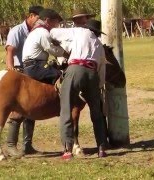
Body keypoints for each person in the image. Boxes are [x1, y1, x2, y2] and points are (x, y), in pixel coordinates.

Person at [50, 19, 109, 160]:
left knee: (66, 109)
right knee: (97, 112)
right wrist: (98, 85)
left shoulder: (78, 31)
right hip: (92, 74)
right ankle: (101, 148)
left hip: (75, 69)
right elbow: (102, 68)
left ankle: (68, 149)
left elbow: (53, 32)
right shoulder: (99, 44)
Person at [4, 5, 44, 157]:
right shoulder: (17, 31)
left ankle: (28, 145)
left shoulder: (36, 31)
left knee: (31, 109)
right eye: (39, 18)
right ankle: (10, 145)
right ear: (31, 16)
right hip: (19, 71)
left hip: (33, 70)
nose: (40, 21)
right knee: (17, 111)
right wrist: (11, 71)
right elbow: (10, 51)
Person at [22, 8, 68, 84]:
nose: (56, 25)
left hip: (32, 65)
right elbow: (54, 51)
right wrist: (66, 52)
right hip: (35, 66)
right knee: (61, 76)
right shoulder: (43, 32)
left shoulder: (37, 31)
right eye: (56, 22)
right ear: (47, 20)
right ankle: (65, 96)